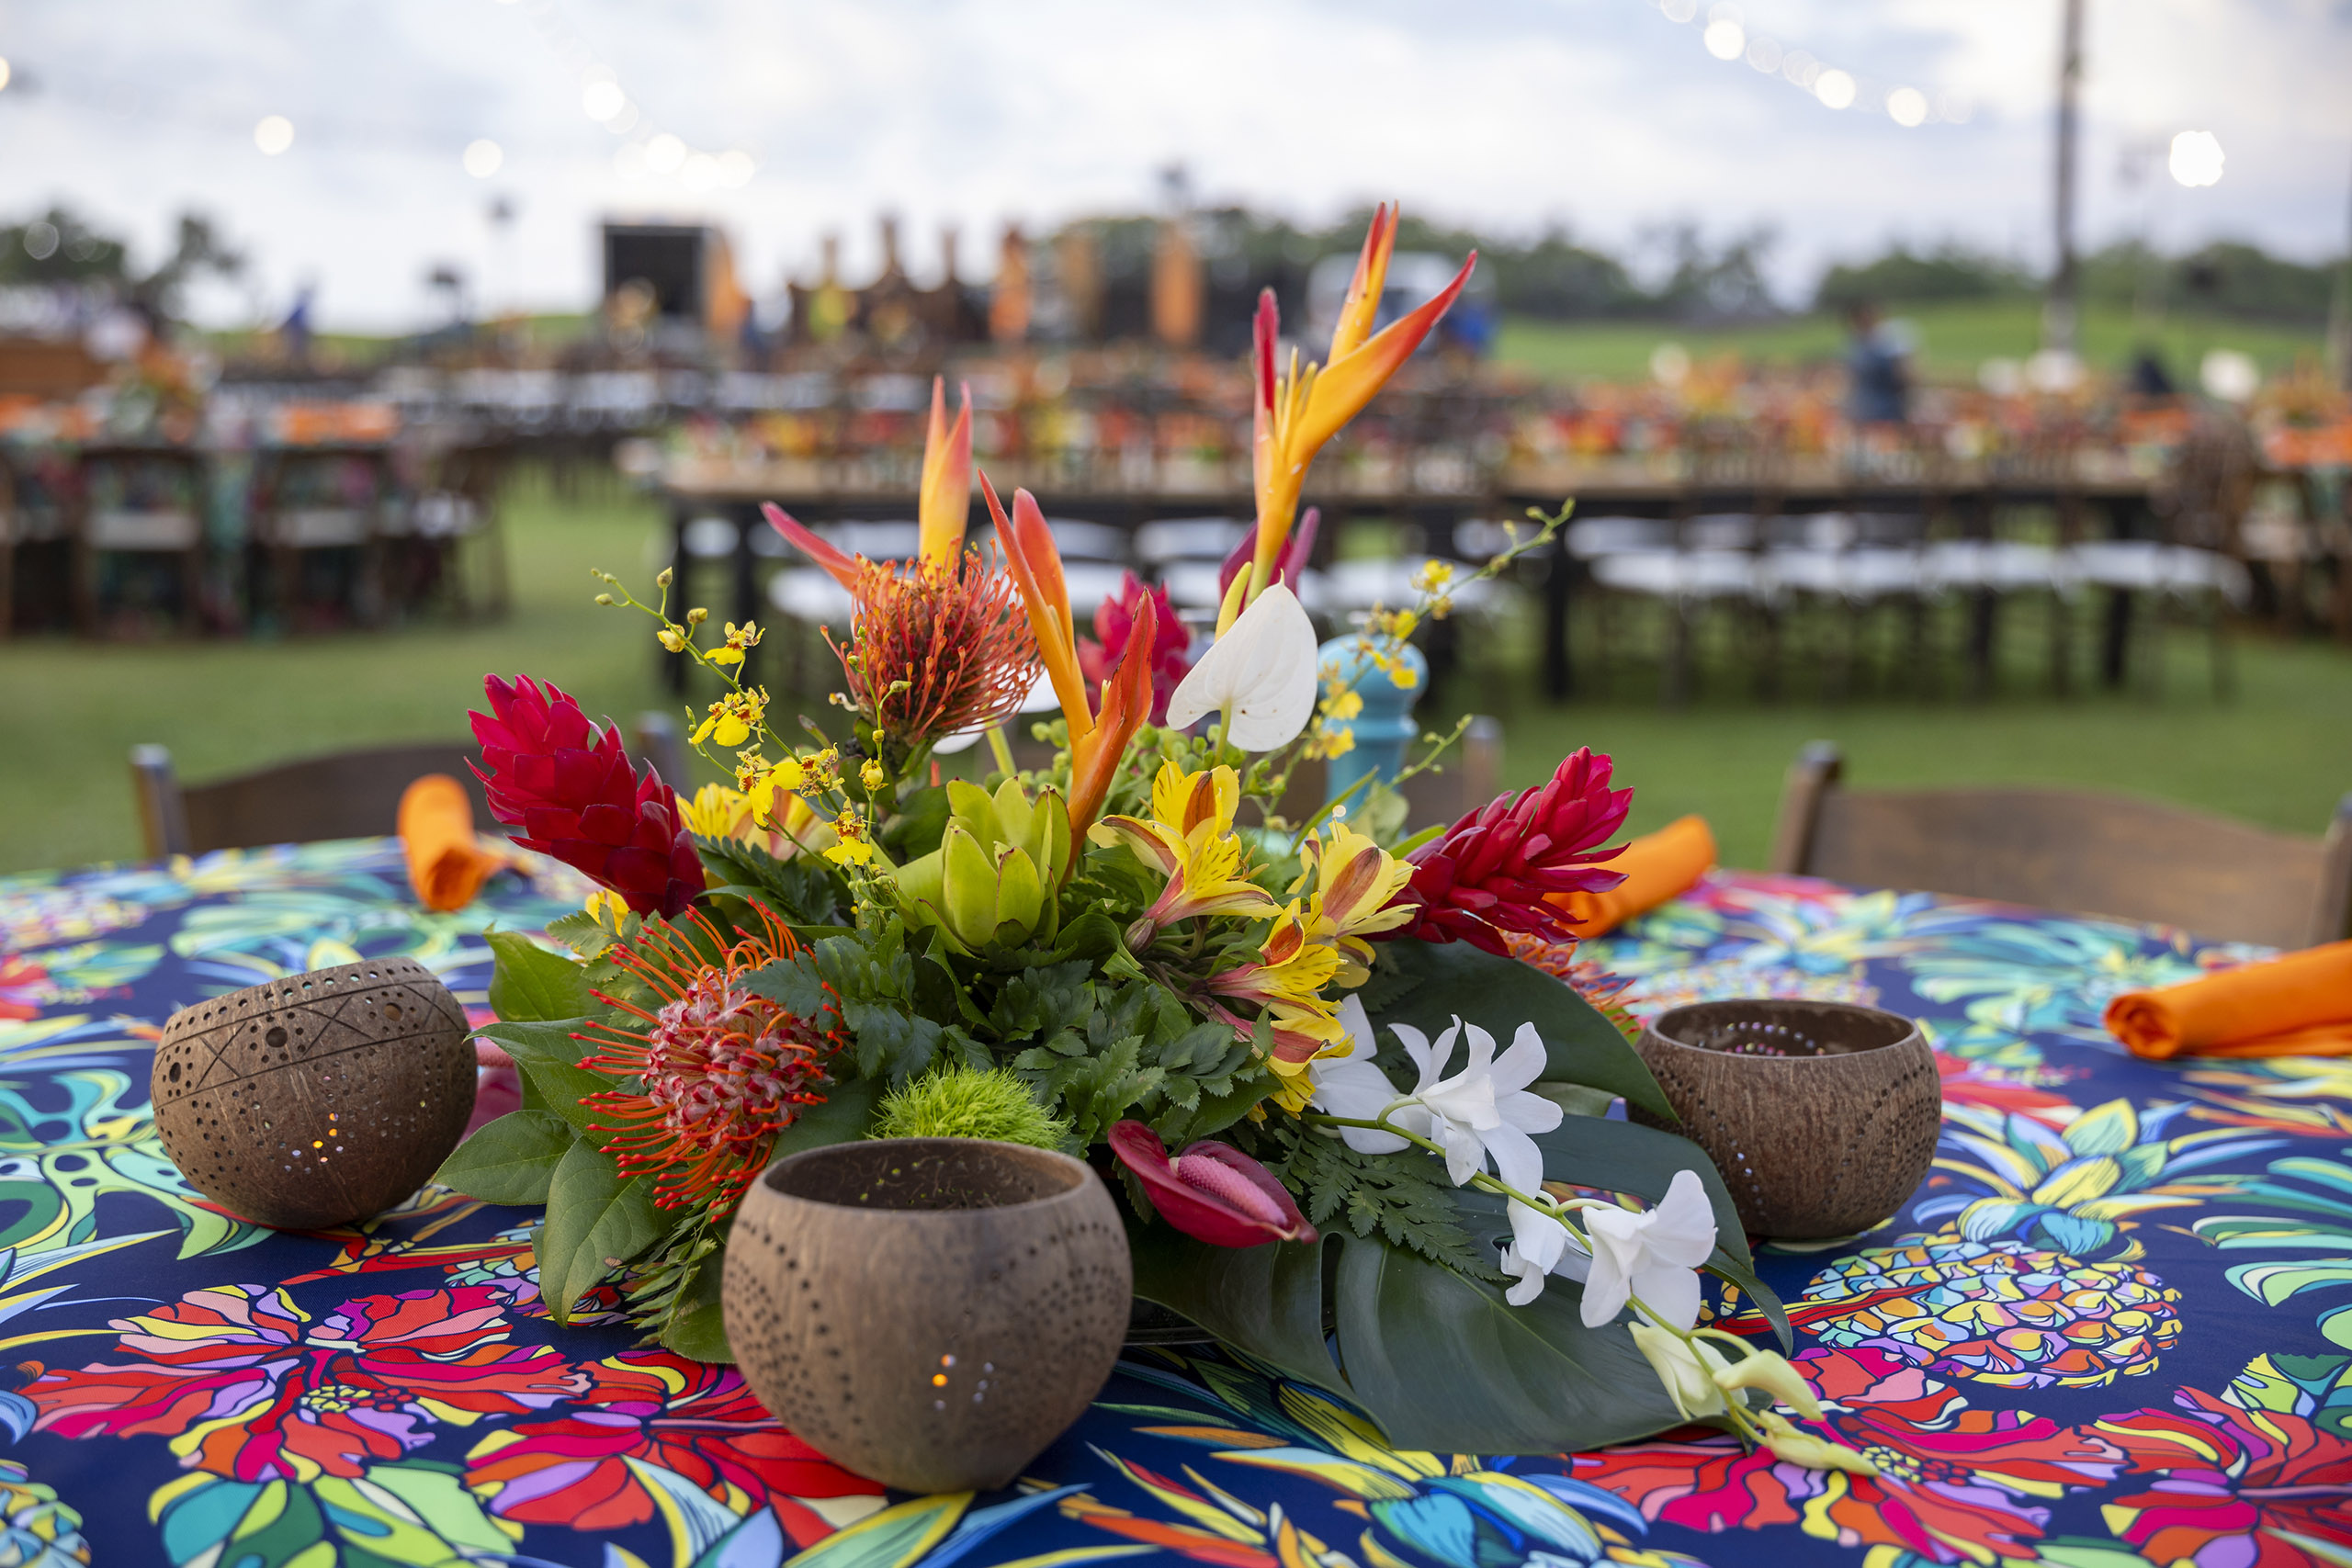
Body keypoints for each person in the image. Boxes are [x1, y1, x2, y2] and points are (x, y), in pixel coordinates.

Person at [1844, 300, 1910, 425]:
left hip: (1890, 404)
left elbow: (1904, 375)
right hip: (1866, 406)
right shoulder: (1855, 344)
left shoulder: (1890, 340)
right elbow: (1851, 377)